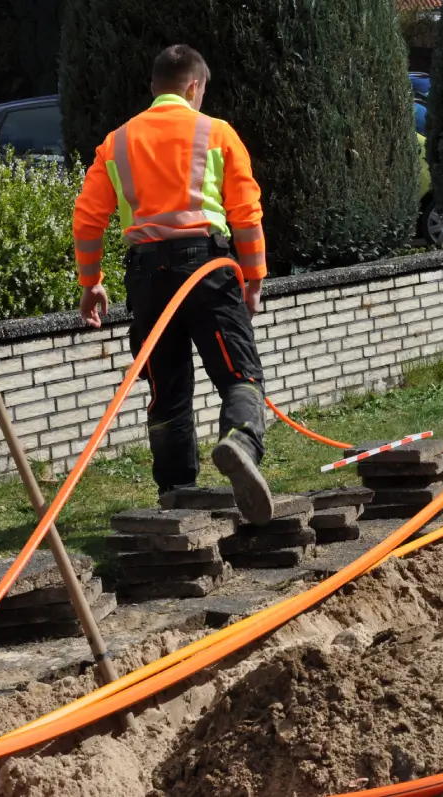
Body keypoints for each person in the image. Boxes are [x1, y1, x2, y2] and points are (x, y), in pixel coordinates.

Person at [72, 44, 275, 526]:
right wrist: (254, 277)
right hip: (206, 267)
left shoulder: (116, 142)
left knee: (166, 386)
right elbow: (246, 215)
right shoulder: (218, 133)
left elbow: (87, 220)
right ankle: (240, 442)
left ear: (153, 88)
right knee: (239, 376)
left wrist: (91, 282)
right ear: (194, 87)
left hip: (146, 275)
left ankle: (177, 493)